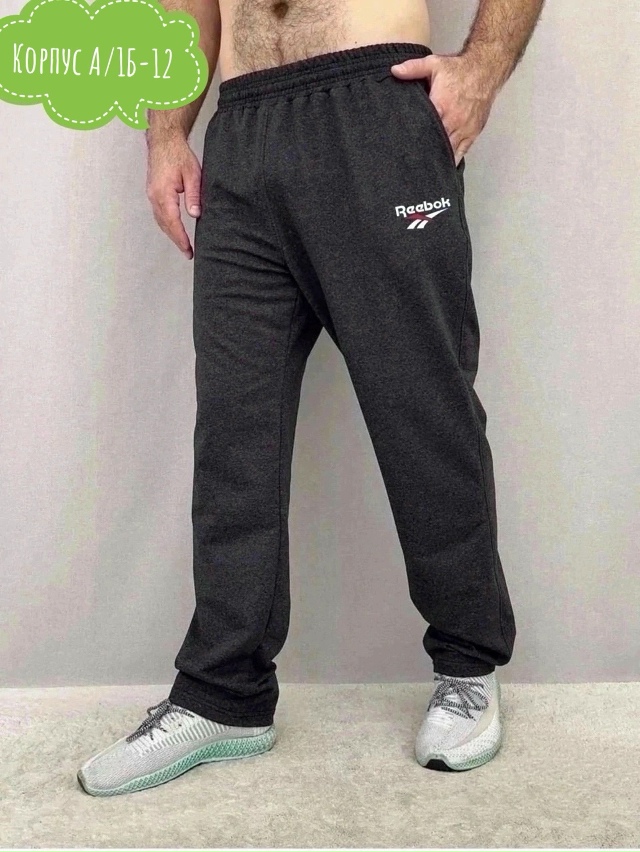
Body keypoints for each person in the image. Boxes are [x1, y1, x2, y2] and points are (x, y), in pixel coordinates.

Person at [77, 0, 544, 796]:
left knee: (423, 411)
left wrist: (482, 72)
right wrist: (166, 135)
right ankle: (224, 694)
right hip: (242, 132)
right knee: (234, 432)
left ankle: (468, 665)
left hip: (373, 108)